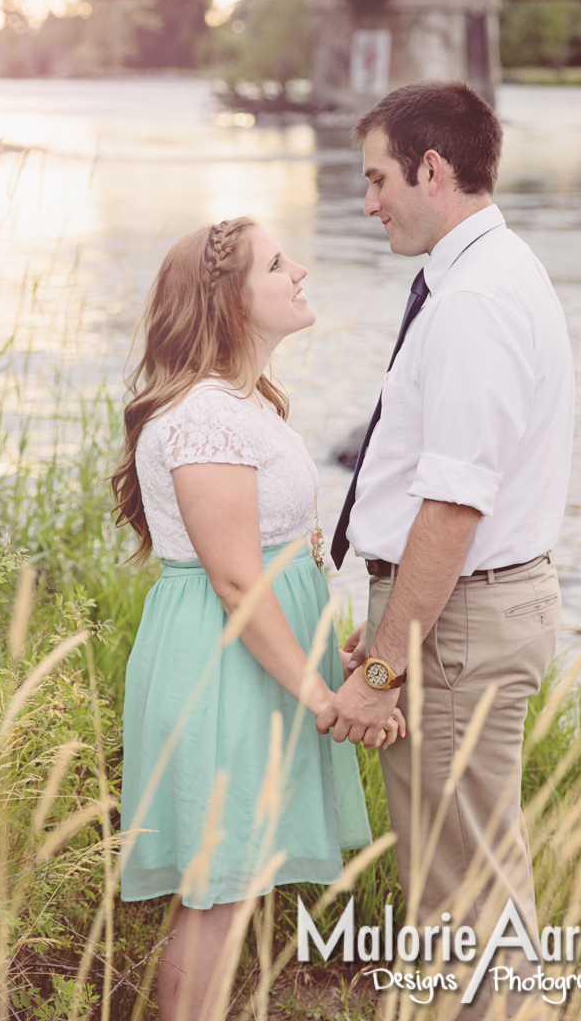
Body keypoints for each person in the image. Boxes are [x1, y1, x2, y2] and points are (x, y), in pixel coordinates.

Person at [318, 82, 574, 1017]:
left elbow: (454, 509)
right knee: (462, 881)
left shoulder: (474, 301)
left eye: (378, 177)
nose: (368, 201)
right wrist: (386, 620)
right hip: (456, 613)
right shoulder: (487, 275)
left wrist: (380, 669)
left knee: (463, 902)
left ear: (432, 169)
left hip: (458, 623)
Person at [110, 217, 404, 1020]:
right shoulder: (204, 416)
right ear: (228, 301)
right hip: (222, 664)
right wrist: (320, 698)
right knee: (219, 890)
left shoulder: (242, 405)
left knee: (228, 889)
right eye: (278, 263)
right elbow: (237, 579)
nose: (300, 269)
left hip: (252, 662)